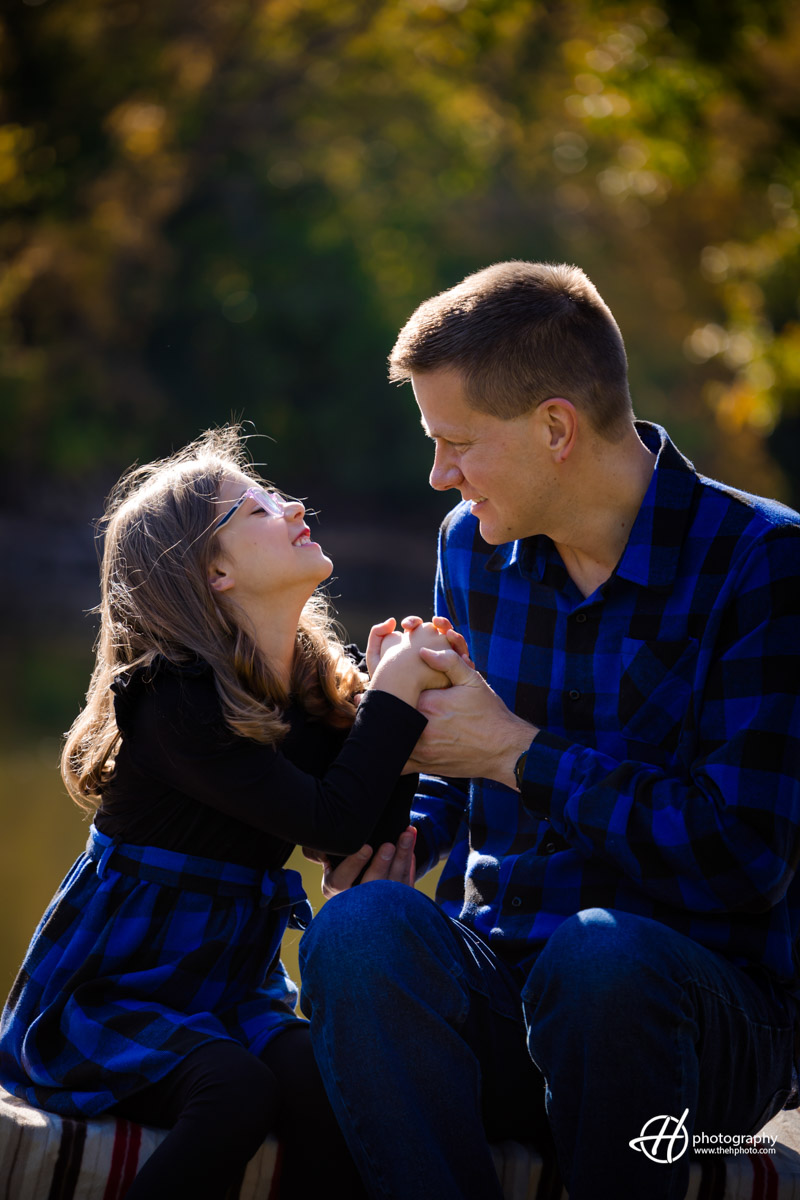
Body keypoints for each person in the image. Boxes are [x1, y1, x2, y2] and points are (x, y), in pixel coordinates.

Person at [298, 262, 800, 1200]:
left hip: (701, 1023)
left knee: (600, 953)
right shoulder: (471, 546)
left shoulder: (766, 564)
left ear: (556, 428)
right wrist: (398, 826)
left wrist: (518, 752)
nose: (440, 475)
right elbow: (462, 764)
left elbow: (745, 855)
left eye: (456, 444)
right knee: (361, 933)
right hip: (507, 983)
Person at [0, 425, 458, 1200]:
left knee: (330, 1093)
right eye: (256, 508)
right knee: (236, 1093)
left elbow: (362, 839)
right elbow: (330, 821)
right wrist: (392, 698)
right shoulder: (170, 699)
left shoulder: (310, 692)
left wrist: (390, 697)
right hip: (116, 987)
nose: (292, 505)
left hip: (226, 987)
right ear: (212, 572)